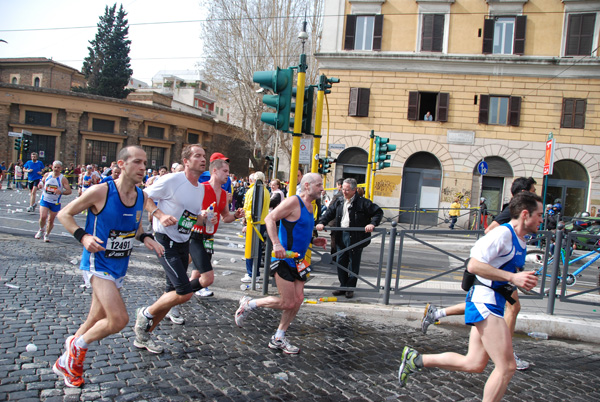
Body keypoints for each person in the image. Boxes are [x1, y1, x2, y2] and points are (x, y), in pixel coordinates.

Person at [399, 192, 543, 401]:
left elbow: (500, 270)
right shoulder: (503, 234)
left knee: (474, 363)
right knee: (507, 367)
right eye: (539, 214)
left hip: (492, 302)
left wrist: (518, 280)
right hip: (485, 303)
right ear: (525, 214)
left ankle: (417, 360)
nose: (542, 219)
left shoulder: (521, 239)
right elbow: (473, 265)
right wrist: (513, 276)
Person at [53, 145, 163, 388]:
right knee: (118, 319)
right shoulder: (101, 191)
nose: (143, 168)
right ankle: (76, 349)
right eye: (137, 162)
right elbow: (64, 214)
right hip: (97, 263)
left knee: (95, 318)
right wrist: (83, 237)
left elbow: (135, 227)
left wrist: (146, 239)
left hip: (119, 267)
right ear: (121, 164)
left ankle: (64, 362)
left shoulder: (141, 196)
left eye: (145, 163)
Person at [421, 176, 538, 371]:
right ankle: (507, 353)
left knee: (474, 362)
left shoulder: (517, 227)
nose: (535, 195)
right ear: (524, 194)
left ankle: (434, 322)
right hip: (491, 281)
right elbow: (489, 232)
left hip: (492, 286)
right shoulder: (509, 216)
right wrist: (505, 258)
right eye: (532, 191)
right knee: (506, 361)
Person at [234, 173, 326, 353]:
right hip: (283, 259)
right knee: (287, 302)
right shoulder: (294, 201)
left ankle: (278, 337)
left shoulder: (311, 206)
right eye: (319, 185)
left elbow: (300, 230)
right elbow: (270, 218)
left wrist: (313, 241)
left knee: (298, 300)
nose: (322, 188)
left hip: (299, 260)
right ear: (307, 185)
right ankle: (249, 304)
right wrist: (276, 243)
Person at [133, 144, 209, 354]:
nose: (203, 159)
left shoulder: (200, 188)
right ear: (186, 161)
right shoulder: (172, 180)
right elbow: (142, 196)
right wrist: (160, 215)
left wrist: (202, 218)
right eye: (197, 156)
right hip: (165, 241)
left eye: (204, 156)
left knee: (171, 293)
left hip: (182, 242)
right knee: (183, 292)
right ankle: (145, 313)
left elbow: (190, 218)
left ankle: (143, 335)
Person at [186, 155, 244, 303]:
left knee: (198, 273)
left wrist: (236, 216)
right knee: (206, 276)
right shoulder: (201, 188)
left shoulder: (224, 194)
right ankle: (177, 293)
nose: (227, 174)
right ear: (214, 171)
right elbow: (186, 211)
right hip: (194, 235)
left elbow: (225, 217)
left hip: (209, 238)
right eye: (225, 171)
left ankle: (179, 297)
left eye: (228, 171)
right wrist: (201, 215)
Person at [315, 178, 383, 299]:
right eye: (343, 189)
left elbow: (378, 212)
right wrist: (322, 222)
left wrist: (372, 224)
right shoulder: (339, 201)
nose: (344, 192)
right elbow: (329, 213)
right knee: (340, 261)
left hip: (356, 236)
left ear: (354, 190)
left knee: (353, 262)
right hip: (341, 234)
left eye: (346, 190)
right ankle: (343, 285)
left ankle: (350, 288)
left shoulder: (363, 202)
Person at [241, 172, 270, 283]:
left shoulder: (252, 191)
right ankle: (254, 272)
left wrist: (246, 220)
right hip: (262, 222)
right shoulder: (266, 191)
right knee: (257, 249)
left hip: (253, 223)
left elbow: (248, 207)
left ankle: (251, 273)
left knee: (250, 249)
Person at [34, 161, 72, 242]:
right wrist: (40, 185)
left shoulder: (63, 179)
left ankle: (47, 234)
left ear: (61, 168)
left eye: (58, 168)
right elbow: (42, 182)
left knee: (50, 220)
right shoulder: (47, 175)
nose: (56, 169)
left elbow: (69, 191)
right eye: (55, 167)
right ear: (52, 167)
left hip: (55, 202)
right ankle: (41, 229)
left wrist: (61, 192)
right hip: (45, 199)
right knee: (43, 217)